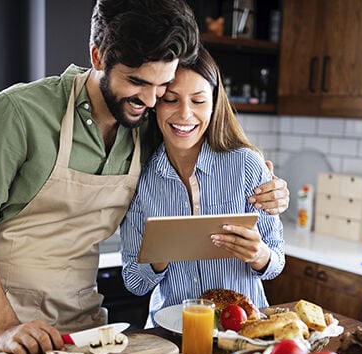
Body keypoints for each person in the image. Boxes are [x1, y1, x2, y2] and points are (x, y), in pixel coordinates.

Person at [0, 0, 289, 354]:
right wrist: (4, 326)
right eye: (137, 81)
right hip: (1, 321)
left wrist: (274, 191)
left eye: (161, 86)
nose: (149, 100)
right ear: (97, 57)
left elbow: (202, 137)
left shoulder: (145, 126)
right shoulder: (18, 113)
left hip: (82, 320)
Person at [120, 46, 285, 326]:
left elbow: (276, 261)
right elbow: (134, 283)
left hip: (242, 330)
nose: (185, 114)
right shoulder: (141, 177)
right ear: (155, 104)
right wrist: (160, 256)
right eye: (171, 100)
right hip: (172, 332)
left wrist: (259, 255)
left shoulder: (246, 165)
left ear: (213, 103)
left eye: (198, 101)